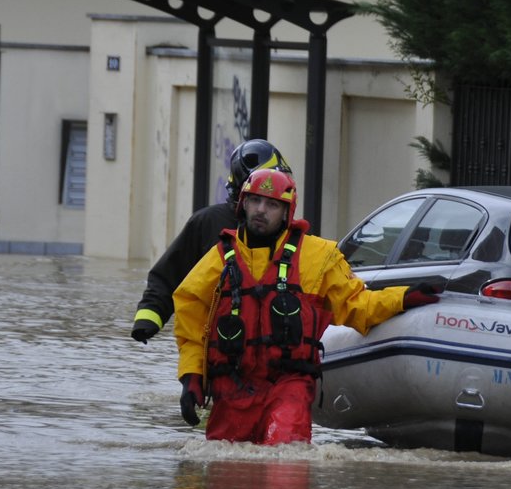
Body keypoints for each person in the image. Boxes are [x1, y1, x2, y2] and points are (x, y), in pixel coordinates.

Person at [171, 166, 442, 444]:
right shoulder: (217, 261)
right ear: (243, 204)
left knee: (286, 460)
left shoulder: (319, 257)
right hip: (232, 389)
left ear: (287, 212)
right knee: (226, 474)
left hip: (289, 384)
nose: (261, 210)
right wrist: (191, 377)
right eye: (255, 201)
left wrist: (403, 298)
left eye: (272, 204)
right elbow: (191, 327)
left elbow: (356, 306)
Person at [129, 138, 292, 344]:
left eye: (273, 202)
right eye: (258, 197)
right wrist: (149, 318)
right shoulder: (208, 223)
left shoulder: (291, 235)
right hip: (217, 346)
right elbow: (168, 276)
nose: (263, 208)